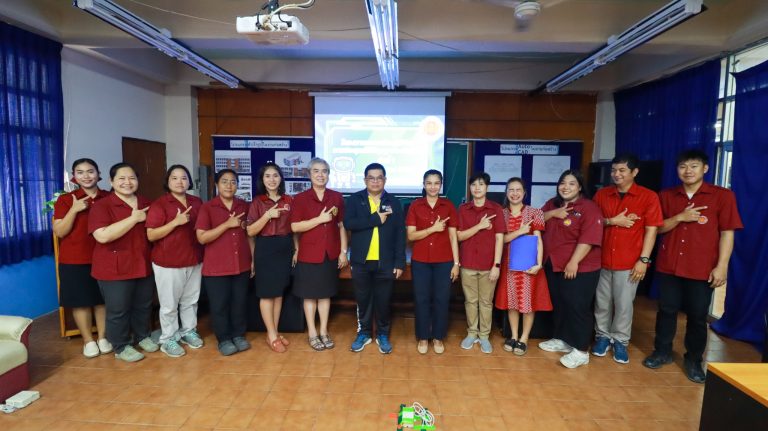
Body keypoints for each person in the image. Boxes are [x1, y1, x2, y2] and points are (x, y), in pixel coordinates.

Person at [642, 150, 742, 383]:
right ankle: (662, 352)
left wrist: (722, 266)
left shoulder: (722, 196)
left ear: (705, 169)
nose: (688, 171)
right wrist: (680, 217)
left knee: (697, 316)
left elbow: (727, 233)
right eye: (683, 166)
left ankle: (694, 360)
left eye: (694, 166)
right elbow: (657, 228)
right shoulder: (667, 195)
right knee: (666, 311)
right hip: (670, 265)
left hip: (701, 267)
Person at [591, 154, 662, 364]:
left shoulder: (648, 197)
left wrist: (644, 260)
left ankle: (620, 340)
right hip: (601, 259)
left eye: (622, 170)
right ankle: (602, 337)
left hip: (629, 261)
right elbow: (593, 222)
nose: (616, 174)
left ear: (635, 172)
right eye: (614, 170)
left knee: (624, 304)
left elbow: (651, 230)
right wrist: (612, 221)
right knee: (602, 303)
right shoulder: (602, 194)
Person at [89, 162, 157, 362]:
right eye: (121, 178)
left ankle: (143, 336)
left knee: (143, 305)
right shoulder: (102, 206)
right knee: (118, 309)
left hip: (142, 263)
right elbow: (102, 236)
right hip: (113, 268)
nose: (127, 182)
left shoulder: (146, 202)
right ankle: (121, 346)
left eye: (132, 178)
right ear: (111, 181)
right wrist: (134, 218)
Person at [539, 170, 603, 369]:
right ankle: (562, 339)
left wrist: (574, 261)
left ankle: (581, 350)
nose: (565, 187)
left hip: (580, 267)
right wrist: (553, 213)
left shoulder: (589, 208)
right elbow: (536, 218)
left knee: (577, 307)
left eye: (571, 183)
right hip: (553, 263)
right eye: (562, 183)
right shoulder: (552, 204)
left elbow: (589, 238)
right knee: (560, 304)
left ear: (580, 187)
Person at [344, 163, 406, 354]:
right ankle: (364, 333)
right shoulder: (355, 200)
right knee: (363, 300)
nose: (375, 181)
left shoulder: (393, 202)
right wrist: (376, 219)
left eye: (379, 178)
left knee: (383, 301)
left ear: (385, 180)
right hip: (361, 262)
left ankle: (383, 334)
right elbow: (349, 223)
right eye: (371, 178)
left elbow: (400, 234)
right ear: (365, 180)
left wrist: (399, 262)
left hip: (386, 262)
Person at [53, 158, 112, 358]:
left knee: (102, 300)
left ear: (98, 174)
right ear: (74, 176)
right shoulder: (66, 200)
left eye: (90, 171)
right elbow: (60, 231)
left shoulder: (108, 197)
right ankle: (88, 341)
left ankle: (103, 337)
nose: (86, 176)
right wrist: (74, 209)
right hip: (74, 259)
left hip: (104, 256)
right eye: (80, 172)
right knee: (81, 301)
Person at [146, 165, 204, 358]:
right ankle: (168, 339)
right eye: (175, 178)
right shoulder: (160, 204)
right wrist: (175, 222)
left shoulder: (196, 202)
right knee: (169, 304)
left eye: (184, 178)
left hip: (194, 259)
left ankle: (188, 331)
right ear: (168, 181)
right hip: (168, 262)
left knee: (190, 301)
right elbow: (151, 235)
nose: (180, 182)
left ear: (189, 181)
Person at [290, 158, 348, 351]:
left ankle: (323, 331)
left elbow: (341, 226)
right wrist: (319, 219)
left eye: (324, 171)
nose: (320, 175)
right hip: (308, 253)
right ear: (309, 174)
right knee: (309, 296)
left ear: (329, 174)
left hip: (330, 253)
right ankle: (312, 333)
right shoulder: (300, 198)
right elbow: (295, 227)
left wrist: (343, 251)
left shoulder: (336, 197)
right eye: (316, 171)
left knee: (325, 295)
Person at [195, 169, 254, 356]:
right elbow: (202, 238)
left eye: (233, 182)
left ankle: (238, 335)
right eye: (224, 181)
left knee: (239, 303)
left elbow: (250, 235)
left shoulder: (244, 206)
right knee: (219, 305)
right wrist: (226, 225)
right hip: (217, 267)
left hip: (241, 264)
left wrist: (253, 259)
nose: (229, 185)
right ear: (216, 185)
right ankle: (224, 339)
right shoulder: (208, 207)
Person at [495, 177, 550, 356]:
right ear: (506, 193)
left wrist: (539, 264)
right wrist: (519, 231)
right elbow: (501, 240)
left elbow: (538, 240)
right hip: (508, 264)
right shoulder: (501, 214)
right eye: (511, 190)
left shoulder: (535, 213)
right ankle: (513, 335)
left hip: (529, 264)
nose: (515, 193)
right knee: (512, 302)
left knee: (528, 303)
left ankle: (524, 338)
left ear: (524, 193)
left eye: (518, 190)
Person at [406, 169, 460, 354]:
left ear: (441, 185)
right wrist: (433, 229)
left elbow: (453, 237)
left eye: (436, 183)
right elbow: (411, 235)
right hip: (420, 260)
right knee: (421, 299)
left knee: (441, 299)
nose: (433, 187)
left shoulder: (448, 206)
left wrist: (456, 264)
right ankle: (423, 337)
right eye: (429, 183)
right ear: (423, 184)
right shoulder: (415, 205)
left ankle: (438, 337)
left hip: (444, 261)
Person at [247, 162, 294, 353]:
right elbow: (250, 231)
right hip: (266, 249)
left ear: (281, 178)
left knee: (278, 292)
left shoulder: (289, 200)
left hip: (285, 248)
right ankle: (272, 335)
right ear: (262, 180)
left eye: (275, 175)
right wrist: (267, 215)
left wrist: (297, 249)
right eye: (267, 176)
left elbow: (294, 228)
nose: (272, 179)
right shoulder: (257, 202)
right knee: (267, 294)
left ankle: (273, 331)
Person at [457, 172, 505, 354]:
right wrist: (479, 226)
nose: (477, 188)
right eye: (474, 185)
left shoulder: (496, 209)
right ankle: (472, 333)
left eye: (481, 184)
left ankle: (484, 336)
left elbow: (500, 238)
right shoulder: (463, 209)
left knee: (486, 302)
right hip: (467, 263)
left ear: (487, 187)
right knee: (470, 301)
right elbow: (459, 236)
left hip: (488, 265)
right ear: (470, 188)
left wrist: (497, 265)